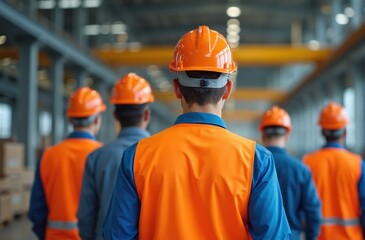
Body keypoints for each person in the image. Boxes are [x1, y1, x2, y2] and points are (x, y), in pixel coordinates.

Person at [103, 25, 291, 239]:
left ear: (176, 88)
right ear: (227, 89)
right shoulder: (256, 160)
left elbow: (117, 235)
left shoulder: (137, 157)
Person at [77, 73, 154, 240]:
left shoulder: (96, 158)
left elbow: (86, 217)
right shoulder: (160, 156)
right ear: (147, 115)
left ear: (115, 116)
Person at [29, 87, 106, 240]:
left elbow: (36, 211)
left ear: (70, 119)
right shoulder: (103, 156)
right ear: (97, 119)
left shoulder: (49, 155)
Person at [303, 102, 365, 240]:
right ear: (345, 132)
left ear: (322, 131)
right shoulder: (358, 164)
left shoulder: (307, 163)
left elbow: (303, 207)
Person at [260, 106, 321, 240]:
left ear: (263, 134)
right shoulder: (301, 169)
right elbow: (313, 211)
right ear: (287, 135)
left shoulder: (253, 166)